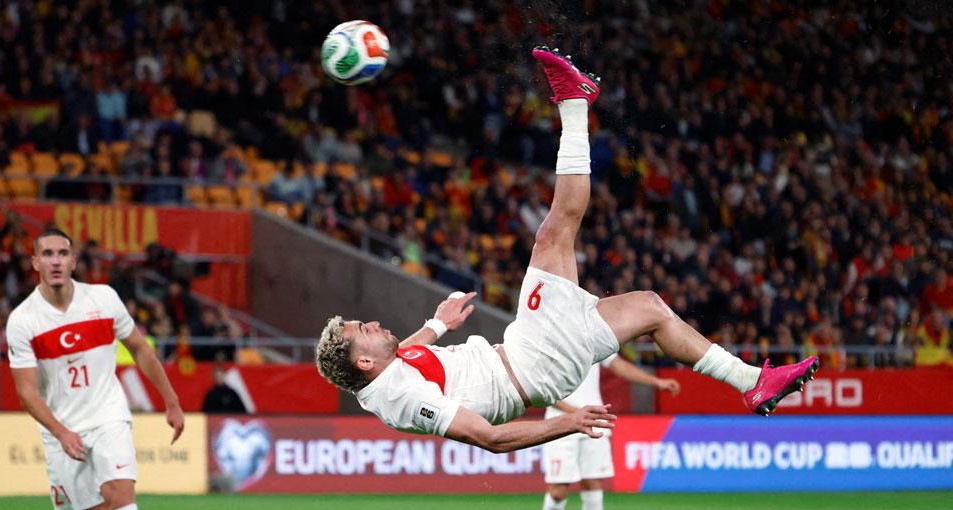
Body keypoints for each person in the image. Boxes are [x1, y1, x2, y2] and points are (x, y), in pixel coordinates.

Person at [314, 47, 818, 452]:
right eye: (363, 331)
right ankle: (574, 103)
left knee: (650, 307)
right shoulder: (400, 397)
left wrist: (440, 324)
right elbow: (488, 439)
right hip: (532, 363)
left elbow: (406, 350)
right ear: (364, 363)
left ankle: (753, 381)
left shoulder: (385, 370)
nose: (372, 324)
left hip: (532, 355)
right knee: (554, 234)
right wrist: (568, 423)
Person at [6, 228, 186, 510]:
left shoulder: (103, 299)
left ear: (74, 261)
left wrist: (171, 401)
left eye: (62, 253)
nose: (55, 260)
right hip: (61, 429)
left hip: (108, 414)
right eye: (47, 254)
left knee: (120, 495)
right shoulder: (23, 321)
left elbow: (139, 347)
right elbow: (26, 393)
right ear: (35, 262)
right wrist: (61, 431)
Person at [530, 354, 680, 510]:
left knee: (593, 485)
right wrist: (577, 413)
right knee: (558, 491)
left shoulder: (594, 340)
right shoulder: (550, 345)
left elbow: (619, 366)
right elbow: (543, 392)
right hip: (560, 425)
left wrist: (656, 382)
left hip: (594, 423)